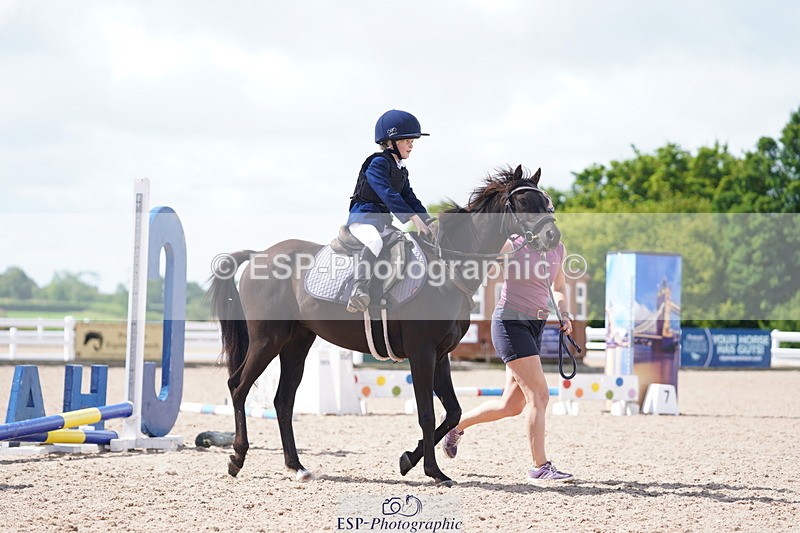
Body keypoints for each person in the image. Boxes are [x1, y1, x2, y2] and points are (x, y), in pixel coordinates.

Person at [441, 236, 575, 483]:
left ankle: (455, 425)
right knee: (540, 395)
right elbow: (482, 252)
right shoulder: (514, 244)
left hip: (536, 324)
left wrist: (564, 313)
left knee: (511, 405)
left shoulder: (558, 248)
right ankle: (540, 467)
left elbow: (558, 286)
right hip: (510, 323)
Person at [345, 109, 434, 313]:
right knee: (374, 241)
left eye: (413, 141)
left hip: (382, 222)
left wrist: (427, 221)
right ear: (391, 142)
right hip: (363, 218)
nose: (412, 145)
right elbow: (387, 193)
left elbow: (409, 197)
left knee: (404, 245)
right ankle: (358, 289)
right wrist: (411, 217)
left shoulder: (401, 169)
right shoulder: (377, 163)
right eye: (407, 141)